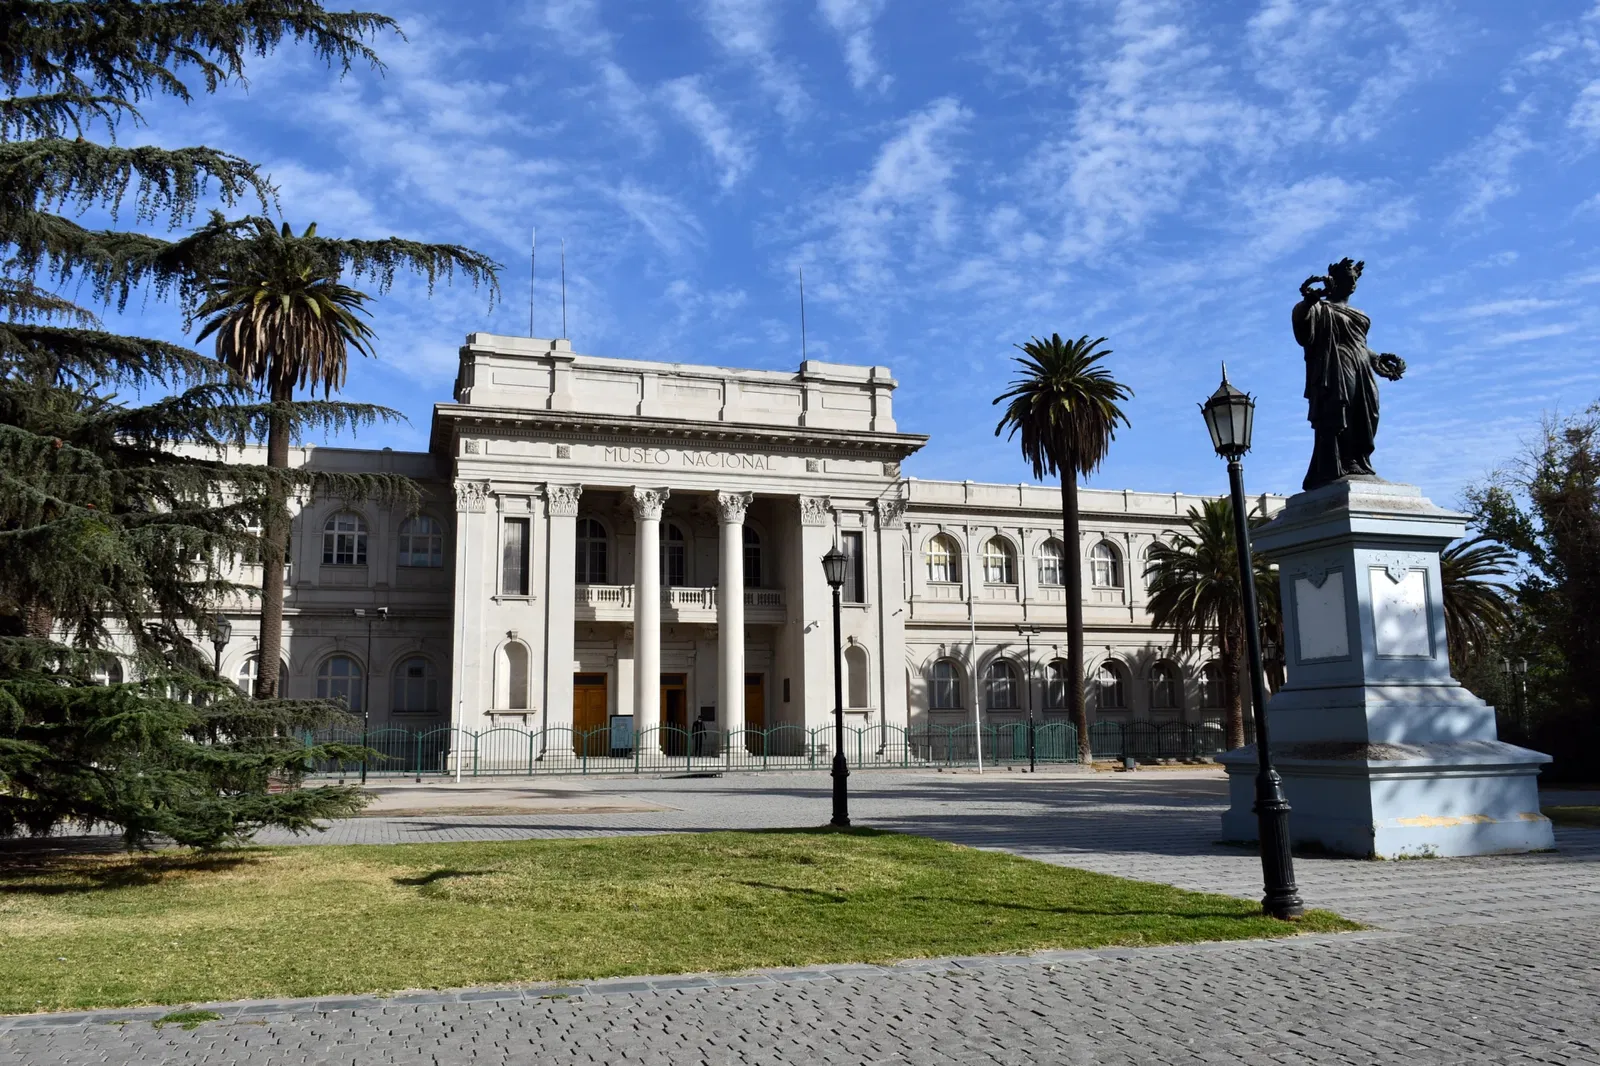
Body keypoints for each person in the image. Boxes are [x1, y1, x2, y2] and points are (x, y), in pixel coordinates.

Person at [1293, 257, 1405, 491]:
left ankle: (1360, 460)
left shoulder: (1359, 314)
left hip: (1361, 364)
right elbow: (1303, 331)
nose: (1352, 283)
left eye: (1354, 279)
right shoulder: (1319, 307)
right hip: (1335, 363)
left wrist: (1377, 359)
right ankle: (1341, 464)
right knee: (1341, 408)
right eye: (1347, 279)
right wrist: (1309, 301)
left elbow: (1361, 344)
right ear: (1335, 280)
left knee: (1368, 412)